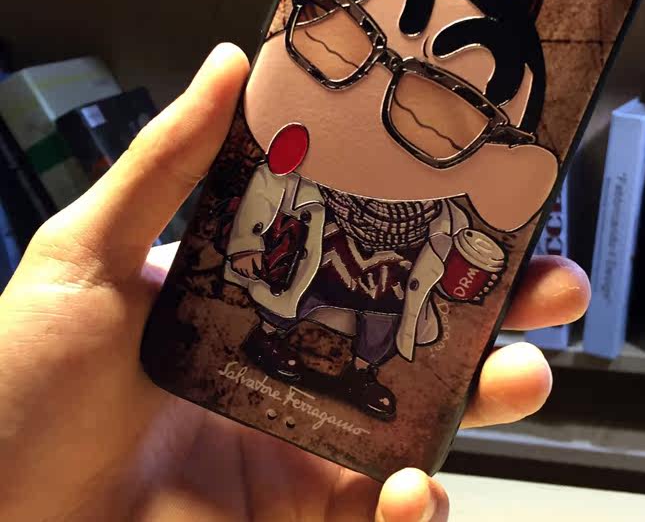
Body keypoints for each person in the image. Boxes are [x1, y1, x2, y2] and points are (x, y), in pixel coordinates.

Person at [0, 44, 590, 522]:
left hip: (394, 270)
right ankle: (269, 340)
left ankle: (361, 374)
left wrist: (472, 254)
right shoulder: (324, 151)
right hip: (328, 243)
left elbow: (467, 225)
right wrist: (251, 243)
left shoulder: (452, 193)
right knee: (301, 296)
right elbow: (272, 188)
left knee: (381, 326)